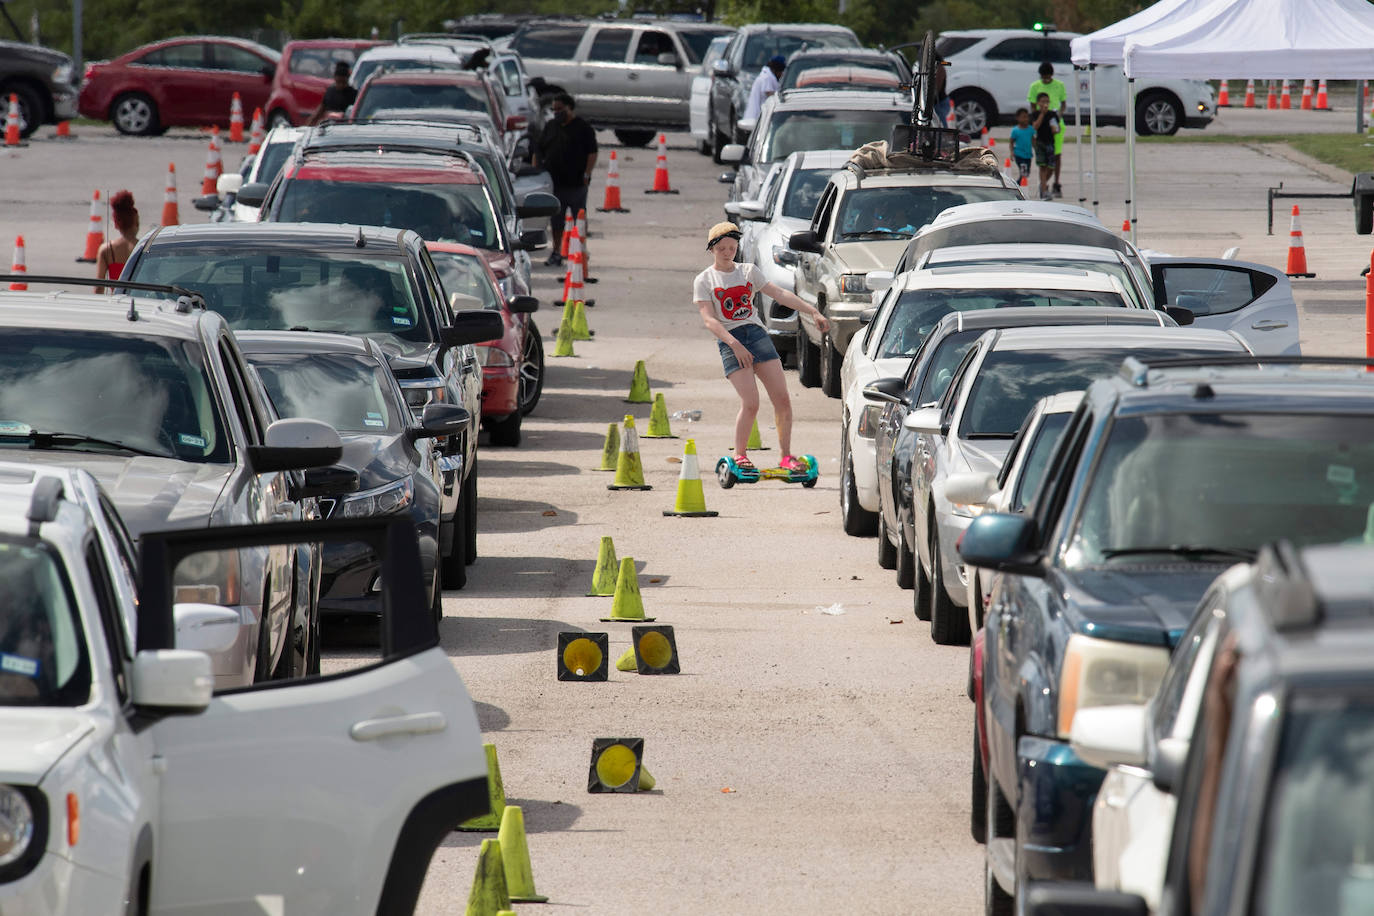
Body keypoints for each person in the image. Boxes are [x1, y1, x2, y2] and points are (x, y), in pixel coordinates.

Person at [693, 222, 830, 473]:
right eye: (722, 248)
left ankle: (786, 456)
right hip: (730, 339)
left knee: (783, 399)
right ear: (712, 249)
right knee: (751, 402)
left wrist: (813, 312)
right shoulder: (704, 280)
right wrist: (734, 345)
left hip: (757, 335)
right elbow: (710, 320)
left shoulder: (748, 271)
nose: (727, 253)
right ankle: (740, 455)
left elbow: (779, 294)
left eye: (732, 247)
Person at [533, 92, 598, 267]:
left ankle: (580, 252)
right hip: (555, 184)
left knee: (580, 220)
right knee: (556, 222)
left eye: (560, 109)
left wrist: (587, 173)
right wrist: (537, 173)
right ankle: (556, 252)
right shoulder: (551, 126)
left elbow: (592, 153)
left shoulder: (583, 128)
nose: (557, 113)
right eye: (554, 110)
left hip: (577, 184)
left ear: (570, 108)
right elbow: (538, 150)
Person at [1028, 62, 1067, 198]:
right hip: (1041, 124)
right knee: (1043, 160)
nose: (1046, 80)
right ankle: (1044, 185)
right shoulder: (1035, 86)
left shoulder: (1059, 85)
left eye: (1048, 77)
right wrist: (1039, 117)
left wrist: (1057, 116)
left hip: (1055, 123)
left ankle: (1056, 183)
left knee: (1056, 155)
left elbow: (1063, 104)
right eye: (1043, 77)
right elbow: (1032, 106)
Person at [94, 190, 138, 294]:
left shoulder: (106, 250)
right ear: (136, 220)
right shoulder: (144, 248)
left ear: (116, 223)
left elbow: (98, 288)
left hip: (117, 303)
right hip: (139, 301)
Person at [308, 61, 357, 125]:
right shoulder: (330, 92)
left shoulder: (353, 94)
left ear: (347, 79)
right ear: (335, 78)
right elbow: (320, 111)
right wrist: (309, 124)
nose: (341, 85)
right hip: (329, 125)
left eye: (343, 82)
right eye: (338, 82)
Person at [1031, 92, 1060, 201]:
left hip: (1050, 143)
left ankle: (1043, 184)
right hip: (1039, 143)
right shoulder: (1035, 114)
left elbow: (1057, 129)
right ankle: (1044, 191)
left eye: (1047, 102)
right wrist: (1042, 114)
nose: (1045, 104)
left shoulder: (1052, 114)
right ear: (1038, 103)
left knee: (1051, 167)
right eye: (1043, 102)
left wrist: (1055, 129)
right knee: (1042, 166)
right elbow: (1035, 126)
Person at [744, 54, 786, 122]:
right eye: (781, 72)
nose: (782, 74)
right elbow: (769, 93)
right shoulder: (767, 77)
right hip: (755, 118)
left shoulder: (766, 75)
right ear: (776, 69)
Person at [1009, 107, 1034, 186]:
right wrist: (1012, 152)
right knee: (1023, 172)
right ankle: (1018, 186)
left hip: (1028, 155)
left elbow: (1033, 140)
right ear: (1018, 118)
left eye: (1027, 117)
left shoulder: (1031, 129)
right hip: (1019, 155)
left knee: (1027, 173)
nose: (1026, 119)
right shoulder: (1015, 130)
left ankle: (1017, 184)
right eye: (1023, 117)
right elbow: (1011, 142)